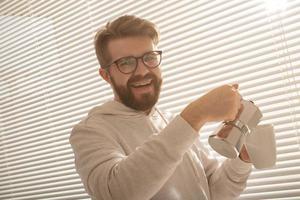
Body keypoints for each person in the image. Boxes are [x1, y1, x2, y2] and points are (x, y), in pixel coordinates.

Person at [69, 15, 252, 200]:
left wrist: (242, 161)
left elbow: (213, 192)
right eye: (126, 62)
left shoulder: (175, 123)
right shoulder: (89, 131)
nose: (142, 71)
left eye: (149, 57)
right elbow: (116, 194)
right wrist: (197, 113)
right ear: (106, 76)